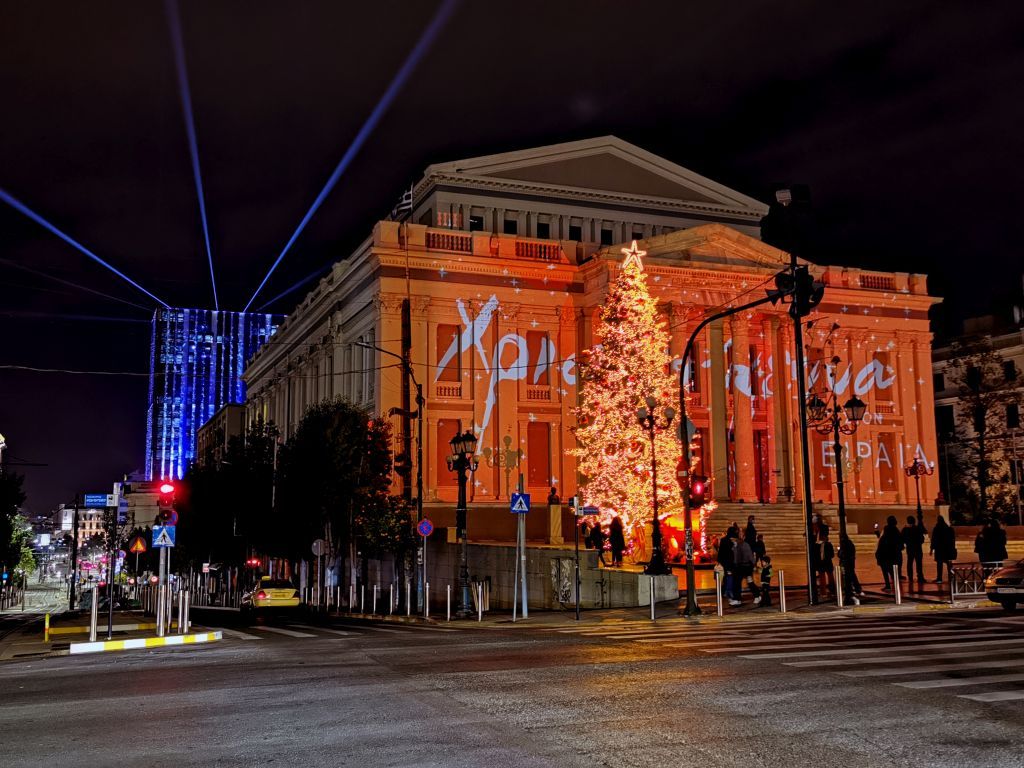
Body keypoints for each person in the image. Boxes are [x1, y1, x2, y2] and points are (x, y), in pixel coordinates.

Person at [876, 515, 905, 590]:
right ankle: (895, 584)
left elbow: (881, 544)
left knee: (885, 570)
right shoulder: (896, 532)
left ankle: (888, 585)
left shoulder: (886, 533)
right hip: (895, 555)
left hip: (886, 555)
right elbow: (901, 544)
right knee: (893, 571)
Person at [930, 515, 957, 583]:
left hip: (939, 549)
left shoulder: (936, 529)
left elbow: (934, 539)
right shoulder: (949, 529)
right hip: (948, 549)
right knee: (949, 564)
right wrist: (953, 548)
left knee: (939, 564)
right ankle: (951, 577)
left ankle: (939, 578)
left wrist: (931, 549)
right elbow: (953, 540)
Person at [902, 515, 926, 590]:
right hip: (918, 548)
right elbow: (922, 539)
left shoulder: (905, 529)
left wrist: (907, 543)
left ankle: (910, 577)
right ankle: (920, 577)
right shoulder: (917, 529)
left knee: (910, 563)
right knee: (919, 563)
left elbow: (902, 538)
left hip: (910, 548)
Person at [838, 533, 862, 604]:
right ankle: (857, 589)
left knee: (848, 577)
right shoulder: (850, 543)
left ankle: (850, 591)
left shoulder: (844, 544)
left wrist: (839, 552)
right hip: (850, 563)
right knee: (852, 575)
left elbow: (842, 554)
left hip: (846, 563)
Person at [734, 531, 757, 603]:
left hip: (747, 567)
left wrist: (753, 564)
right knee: (737, 583)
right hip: (739, 567)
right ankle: (737, 599)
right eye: (739, 535)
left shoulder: (746, 545)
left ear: (744, 537)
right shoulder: (736, 545)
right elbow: (735, 556)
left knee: (750, 582)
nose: (740, 536)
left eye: (742, 535)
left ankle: (757, 595)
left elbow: (750, 555)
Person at [717, 527, 737, 606]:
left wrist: (719, 560)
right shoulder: (732, 540)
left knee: (727, 576)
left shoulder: (723, 540)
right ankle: (728, 591)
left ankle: (724, 591)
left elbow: (721, 551)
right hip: (731, 562)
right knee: (729, 576)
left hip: (725, 561)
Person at [817, 532, 836, 599]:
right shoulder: (817, 545)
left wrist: (826, 557)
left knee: (830, 578)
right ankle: (823, 592)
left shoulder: (829, 545)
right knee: (822, 579)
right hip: (821, 564)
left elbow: (832, 554)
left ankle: (833, 591)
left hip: (827, 563)